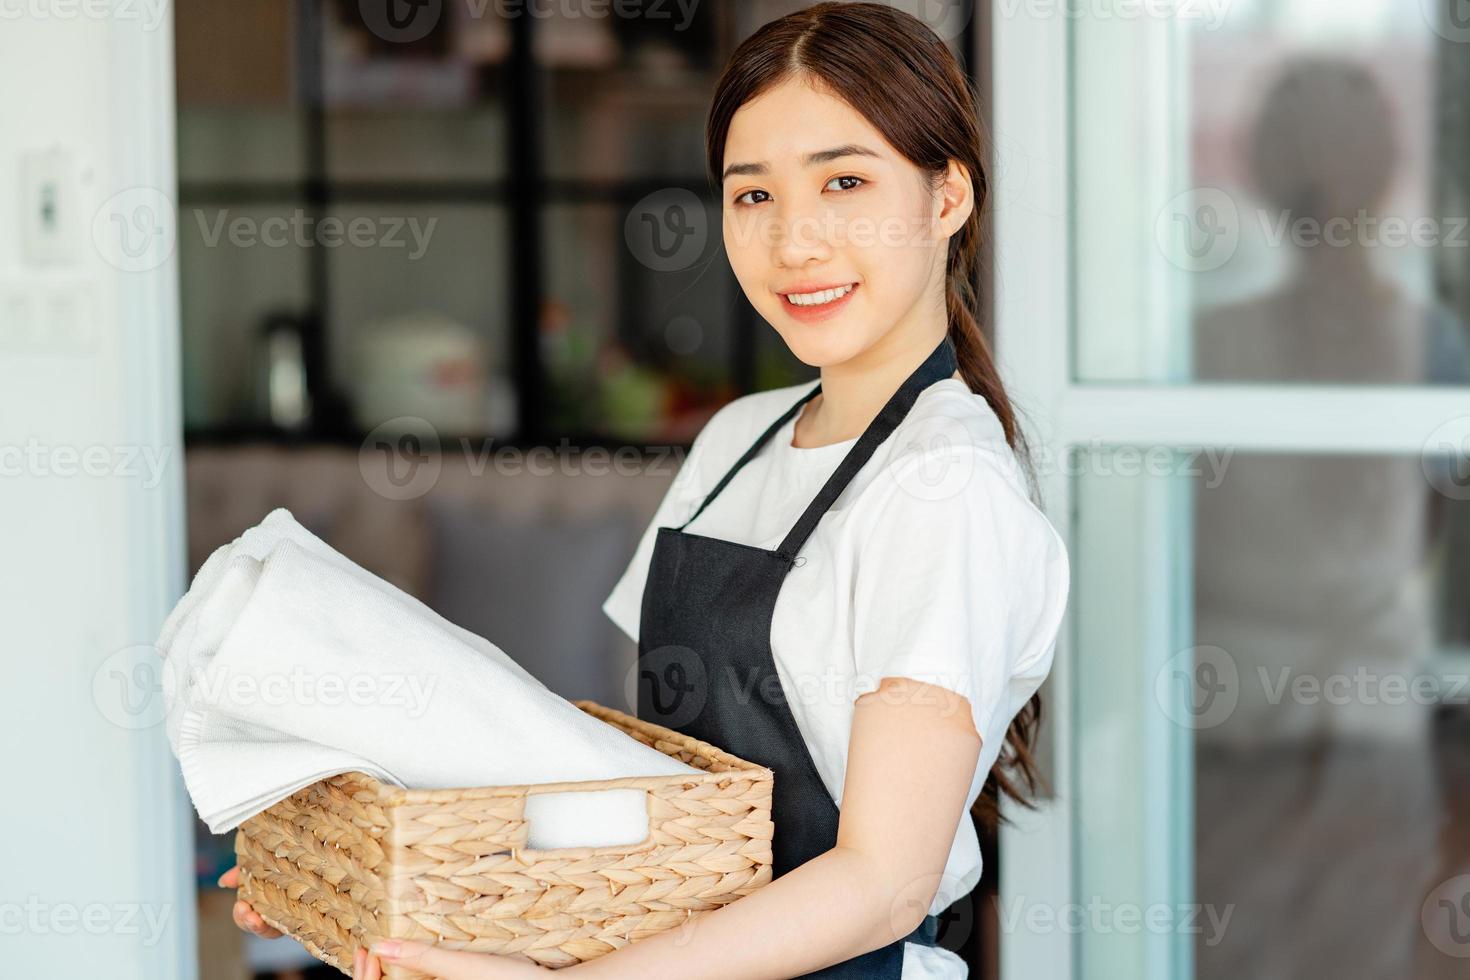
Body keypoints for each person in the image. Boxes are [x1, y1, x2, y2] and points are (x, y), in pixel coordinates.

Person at [229, 4, 1069, 978]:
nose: (795, 240)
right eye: (753, 196)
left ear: (947, 197)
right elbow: (657, 794)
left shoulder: (943, 488)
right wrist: (375, 871)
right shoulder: (737, 440)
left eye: (845, 182)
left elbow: (885, 880)